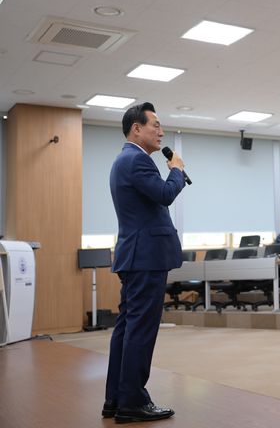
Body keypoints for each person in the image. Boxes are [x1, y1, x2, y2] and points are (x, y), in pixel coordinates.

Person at [104, 102, 185, 423]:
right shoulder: (137, 161)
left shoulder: (125, 160)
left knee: (126, 328)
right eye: (155, 125)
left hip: (136, 255)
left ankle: (117, 397)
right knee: (141, 329)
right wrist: (176, 170)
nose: (161, 132)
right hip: (146, 257)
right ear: (136, 128)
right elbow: (164, 194)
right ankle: (133, 402)